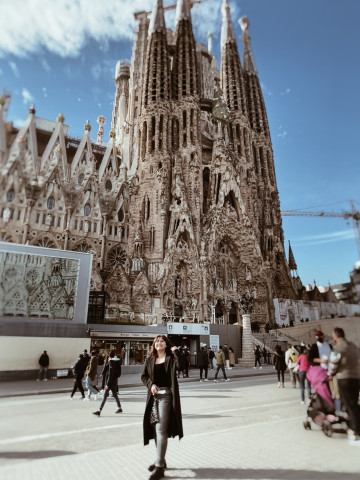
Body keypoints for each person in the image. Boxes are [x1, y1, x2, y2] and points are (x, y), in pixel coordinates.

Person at [141, 335, 184, 480]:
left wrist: (176, 351)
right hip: (153, 398)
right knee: (154, 429)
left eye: (162, 341)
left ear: (166, 344)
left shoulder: (171, 359)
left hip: (166, 397)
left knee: (161, 430)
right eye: (156, 341)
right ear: (154, 345)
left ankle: (159, 466)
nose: (159, 343)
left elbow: (182, 366)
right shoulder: (150, 359)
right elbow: (144, 377)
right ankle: (162, 459)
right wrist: (151, 385)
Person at [331, 327, 360, 444]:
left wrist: (330, 374)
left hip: (344, 379)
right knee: (354, 404)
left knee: (349, 405)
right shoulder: (353, 346)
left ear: (336, 336)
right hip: (356, 378)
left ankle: (355, 432)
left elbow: (333, 365)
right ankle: (356, 426)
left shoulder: (337, 347)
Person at [92, 350, 122, 416]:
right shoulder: (116, 361)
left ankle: (99, 410)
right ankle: (119, 408)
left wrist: (107, 384)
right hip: (114, 381)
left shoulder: (111, 362)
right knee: (114, 395)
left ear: (109, 355)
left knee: (104, 396)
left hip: (110, 382)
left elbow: (111, 374)